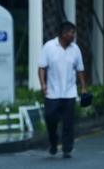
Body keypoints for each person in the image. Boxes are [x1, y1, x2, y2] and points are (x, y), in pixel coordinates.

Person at [38, 21, 88, 158]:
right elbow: (42, 67)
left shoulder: (75, 49)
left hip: (69, 92)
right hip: (52, 93)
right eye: (71, 33)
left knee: (68, 122)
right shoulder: (49, 47)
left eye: (74, 33)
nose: (73, 35)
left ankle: (67, 148)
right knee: (50, 119)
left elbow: (80, 70)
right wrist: (43, 84)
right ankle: (53, 143)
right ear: (63, 34)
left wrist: (83, 88)